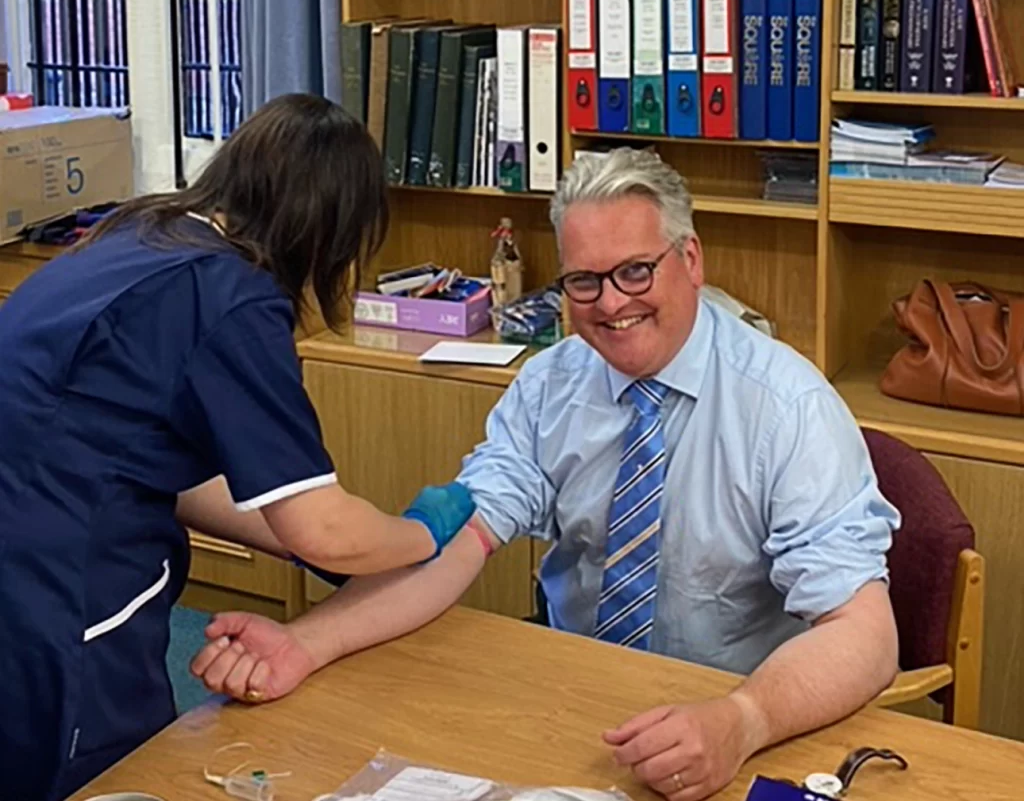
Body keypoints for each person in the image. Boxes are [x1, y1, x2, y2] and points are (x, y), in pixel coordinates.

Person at [191, 147, 902, 801]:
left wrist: (742, 718)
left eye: (635, 270)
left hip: (735, 723)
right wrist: (304, 643)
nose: (612, 303)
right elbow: (460, 540)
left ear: (691, 258)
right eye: (583, 281)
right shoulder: (551, 384)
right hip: (580, 710)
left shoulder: (789, 408)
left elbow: (865, 636)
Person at [0, 93, 475, 801]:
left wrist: (304, 540)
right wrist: (418, 533)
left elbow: (151, 461)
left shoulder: (142, 234)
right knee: (100, 774)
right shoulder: (232, 296)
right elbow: (326, 528)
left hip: (28, 540)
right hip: (60, 587)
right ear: (332, 228)